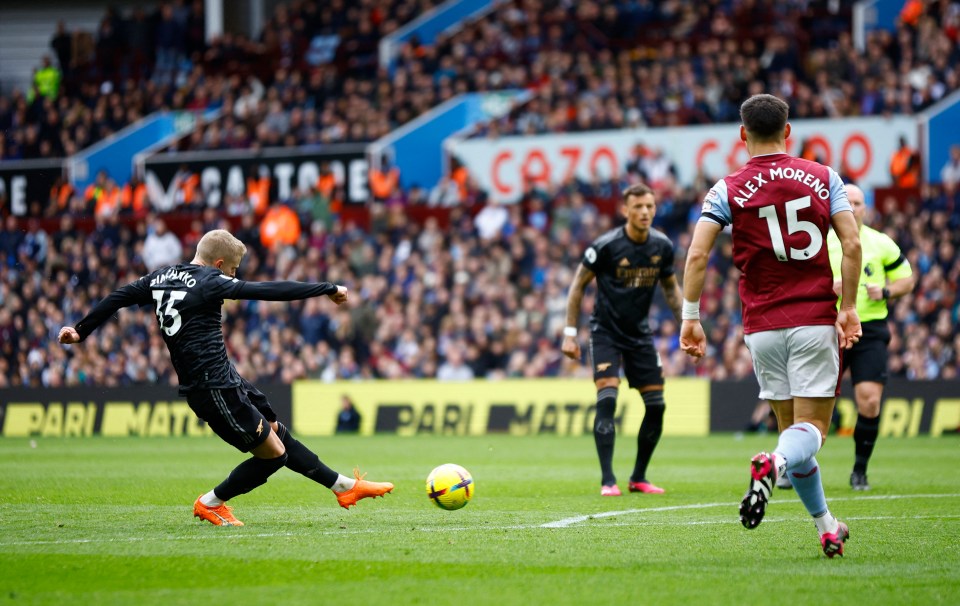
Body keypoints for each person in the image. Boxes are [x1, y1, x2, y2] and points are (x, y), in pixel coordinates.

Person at [58, 229, 393, 526]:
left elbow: (119, 297)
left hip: (225, 378)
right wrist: (327, 288)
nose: (234, 276)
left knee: (274, 428)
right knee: (274, 455)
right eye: (233, 270)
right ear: (219, 264)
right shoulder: (210, 280)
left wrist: (81, 330)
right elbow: (268, 291)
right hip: (212, 387)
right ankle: (210, 502)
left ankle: (344, 487)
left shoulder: (161, 277)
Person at [679, 94, 862, 558]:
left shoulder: (726, 189)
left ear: (742, 135)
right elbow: (852, 243)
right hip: (813, 318)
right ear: (789, 131)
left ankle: (826, 526)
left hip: (761, 326)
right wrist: (850, 306)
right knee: (811, 432)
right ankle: (774, 464)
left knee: (792, 433)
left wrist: (691, 318)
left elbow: (698, 254)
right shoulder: (824, 178)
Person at [561, 182, 683, 496]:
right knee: (608, 400)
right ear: (624, 210)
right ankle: (607, 480)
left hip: (640, 336)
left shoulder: (662, 246)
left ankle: (638, 477)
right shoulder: (606, 246)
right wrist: (570, 333)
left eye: (650, 206)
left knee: (656, 406)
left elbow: (670, 289)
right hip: (605, 334)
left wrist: (688, 325)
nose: (645, 212)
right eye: (638, 207)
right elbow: (578, 286)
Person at [827, 184, 915, 491]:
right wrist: (828, 286)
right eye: (847, 202)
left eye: (858, 202)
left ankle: (859, 471)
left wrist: (888, 291)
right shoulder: (825, 241)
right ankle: (792, 467)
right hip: (830, 328)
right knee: (814, 406)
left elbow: (908, 279)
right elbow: (800, 282)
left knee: (870, 401)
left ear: (866, 208)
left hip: (871, 329)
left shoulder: (881, 243)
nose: (853, 208)